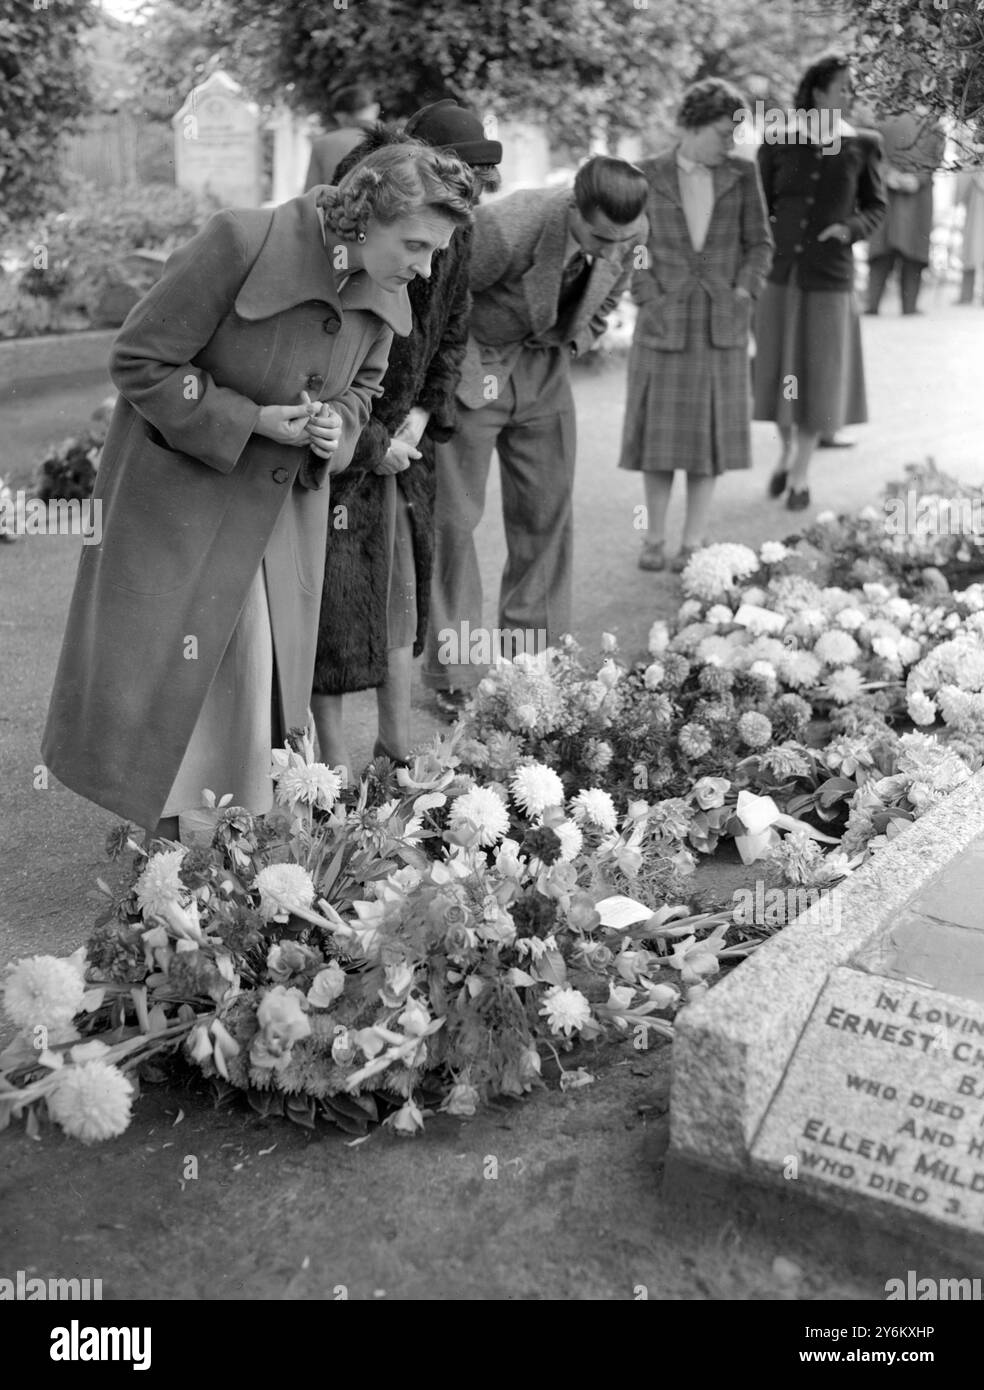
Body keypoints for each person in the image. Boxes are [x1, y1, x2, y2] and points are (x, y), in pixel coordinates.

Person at [41, 143, 474, 843]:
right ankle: (185, 837)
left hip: (282, 515)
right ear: (367, 217)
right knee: (191, 664)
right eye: (418, 245)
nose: (425, 267)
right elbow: (141, 359)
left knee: (255, 677)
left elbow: (365, 388)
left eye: (435, 251)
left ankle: (223, 842)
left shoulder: (387, 285)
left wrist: (341, 424)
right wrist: (249, 420)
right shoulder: (240, 241)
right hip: (181, 506)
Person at [311, 102, 501, 775]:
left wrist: (422, 416)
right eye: (466, 173)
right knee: (331, 610)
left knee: (400, 604)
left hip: (405, 446)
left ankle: (395, 751)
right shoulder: (358, 224)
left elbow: (453, 332)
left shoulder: (453, 232)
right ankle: (325, 770)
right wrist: (369, 439)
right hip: (343, 443)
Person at [422, 155, 650, 717]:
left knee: (545, 515)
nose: (606, 248)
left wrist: (581, 338)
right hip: (476, 360)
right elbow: (439, 299)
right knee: (454, 519)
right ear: (573, 205)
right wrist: (461, 377)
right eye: (597, 235)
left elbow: (614, 287)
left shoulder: (628, 228)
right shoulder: (507, 227)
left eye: (619, 239)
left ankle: (530, 663)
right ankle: (457, 669)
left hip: (544, 364)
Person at [619, 79, 773, 573]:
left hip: (721, 325)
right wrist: (647, 295)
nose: (729, 143)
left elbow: (760, 245)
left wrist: (744, 290)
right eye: (720, 132)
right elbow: (630, 246)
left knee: (709, 444)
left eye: (734, 134)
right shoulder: (645, 174)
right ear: (690, 124)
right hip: (663, 322)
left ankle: (694, 540)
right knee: (658, 445)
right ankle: (654, 538)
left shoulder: (743, 174)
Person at [754, 51, 886, 511]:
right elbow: (758, 206)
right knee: (777, 373)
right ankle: (786, 450)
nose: (851, 95)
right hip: (779, 276)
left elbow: (875, 207)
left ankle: (802, 472)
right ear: (818, 91)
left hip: (830, 278)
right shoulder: (777, 141)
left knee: (817, 377)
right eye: (844, 87)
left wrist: (848, 229)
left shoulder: (862, 144)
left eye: (853, 88)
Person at [865, 111, 945, 315]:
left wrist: (888, 174)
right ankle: (906, 307)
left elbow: (873, 154)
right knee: (910, 254)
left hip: (892, 191)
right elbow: (936, 159)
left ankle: (873, 304)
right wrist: (916, 178)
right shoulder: (933, 124)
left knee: (884, 253)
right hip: (913, 195)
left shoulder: (884, 118)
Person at [303, 84, 381, 193]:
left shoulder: (323, 144)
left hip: (337, 208)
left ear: (340, 116)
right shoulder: (398, 140)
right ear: (376, 109)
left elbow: (310, 197)